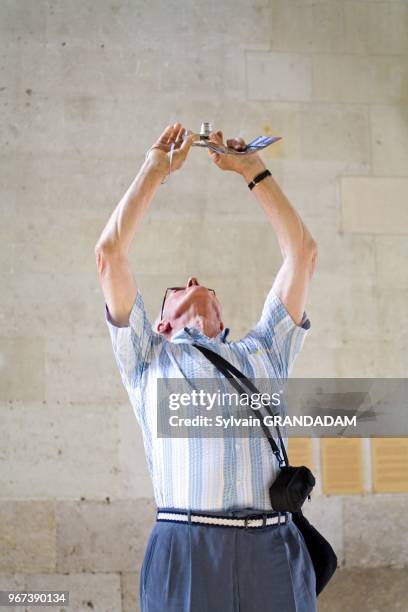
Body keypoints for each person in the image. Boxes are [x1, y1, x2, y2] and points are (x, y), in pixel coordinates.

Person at [95, 122, 318, 612]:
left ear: (223, 320)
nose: (194, 280)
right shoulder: (147, 359)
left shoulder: (264, 351)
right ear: (158, 324)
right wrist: (154, 171)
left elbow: (301, 254)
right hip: (186, 544)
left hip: (273, 545)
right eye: (178, 286)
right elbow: (110, 254)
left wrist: (252, 170)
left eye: (205, 287)